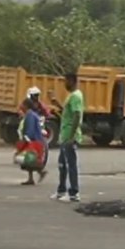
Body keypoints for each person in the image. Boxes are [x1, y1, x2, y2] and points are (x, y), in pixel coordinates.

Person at [50, 73, 85, 202]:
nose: (65, 84)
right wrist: (57, 104)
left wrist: (71, 136)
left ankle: (74, 193)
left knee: (71, 165)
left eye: (66, 81)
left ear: (72, 81)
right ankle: (61, 190)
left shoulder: (76, 96)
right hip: (65, 136)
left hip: (70, 136)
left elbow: (76, 115)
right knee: (62, 165)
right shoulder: (71, 96)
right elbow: (67, 113)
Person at [19, 99, 48, 185]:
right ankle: (31, 178)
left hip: (34, 140)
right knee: (29, 160)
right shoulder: (31, 114)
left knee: (31, 159)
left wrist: (27, 138)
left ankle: (41, 172)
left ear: (26, 106)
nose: (21, 106)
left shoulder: (30, 115)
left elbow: (30, 129)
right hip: (36, 139)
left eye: (22, 104)